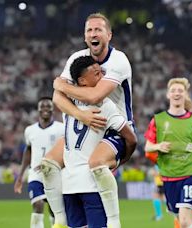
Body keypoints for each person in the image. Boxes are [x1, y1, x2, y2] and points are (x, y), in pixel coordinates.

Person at [40, 13, 134, 228]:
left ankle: (113, 222)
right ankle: (60, 219)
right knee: (48, 165)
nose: (93, 34)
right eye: (89, 30)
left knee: (97, 163)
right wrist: (81, 115)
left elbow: (94, 96)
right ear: (84, 36)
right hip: (83, 125)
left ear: (109, 35)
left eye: (98, 30)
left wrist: (62, 86)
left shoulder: (118, 60)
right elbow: (56, 97)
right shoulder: (77, 58)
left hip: (114, 128)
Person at [61, 56, 137, 227]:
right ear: (82, 81)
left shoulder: (65, 104)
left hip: (68, 186)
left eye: (101, 72)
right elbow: (131, 138)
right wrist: (121, 159)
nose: (101, 77)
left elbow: (58, 95)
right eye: (96, 74)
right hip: (91, 184)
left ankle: (58, 219)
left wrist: (59, 85)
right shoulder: (104, 104)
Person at [144, 77, 192, 228]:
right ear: (168, 94)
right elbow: (148, 147)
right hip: (169, 176)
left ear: (185, 95)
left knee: (186, 220)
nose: (177, 93)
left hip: (190, 174)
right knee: (180, 219)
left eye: (180, 90)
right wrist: (158, 146)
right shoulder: (158, 120)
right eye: (173, 90)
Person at [14, 97, 64, 228]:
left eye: (48, 106)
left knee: (55, 211)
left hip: (55, 174)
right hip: (35, 175)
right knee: (38, 205)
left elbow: (65, 151)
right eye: (42, 106)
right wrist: (20, 176)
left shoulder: (61, 129)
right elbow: (28, 150)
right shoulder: (30, 130)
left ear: (53, 109)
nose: (45, 109)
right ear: (38, 110)